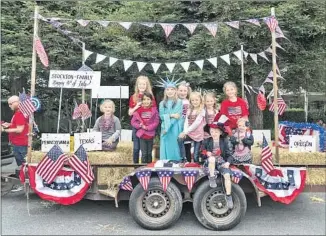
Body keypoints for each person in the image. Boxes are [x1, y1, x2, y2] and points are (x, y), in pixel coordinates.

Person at [200, 117, 234, 209]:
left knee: (227, 175)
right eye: (212, 131)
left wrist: (227, 163)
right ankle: (212, 178)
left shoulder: (224, 141)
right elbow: (201, 153)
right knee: (211, 159)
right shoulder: (207, 141)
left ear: (220, 132)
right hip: (210, 162)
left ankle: (228, 196)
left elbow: (230, 154)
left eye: (216, 131)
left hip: (220, 161)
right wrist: (206, 153)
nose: (213, 133)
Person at [1, 95, 29, 192]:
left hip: (20, 143)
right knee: (22, 165)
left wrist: (4, 130)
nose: (9, 106)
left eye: (10, 103)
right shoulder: (18, 113)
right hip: (19, 143)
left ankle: (24, 184)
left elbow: (19, 129)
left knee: (22, 165)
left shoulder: (19, 114)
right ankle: (24, 184)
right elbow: (16, 125)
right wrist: (8, 125)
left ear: (17, 102)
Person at [128, 76, 156, 164]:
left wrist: (149, 126)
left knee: (147, 151)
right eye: (140, 84)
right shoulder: (134, 97)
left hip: (147, 127)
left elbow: (154, 112)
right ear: (137, 85)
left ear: (147, 85)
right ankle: (135, 166)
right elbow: (130, 113)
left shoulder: (150, 97)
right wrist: (137, 106)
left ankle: (148, 167)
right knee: (136, 148)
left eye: (144, 84)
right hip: (137, 125)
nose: (142, 86)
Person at [159, 77, 183, 161]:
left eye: (172, 89)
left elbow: (177, 117)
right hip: (164, 127)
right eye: (167, 89)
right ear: (165, 91)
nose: (170, 91)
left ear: (175, 91)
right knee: (165, 148)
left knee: (174, 147)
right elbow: (161, 116)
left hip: (174, 128)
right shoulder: (162, 103)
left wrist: (167, 128)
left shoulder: (179, 102)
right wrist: (171, 114)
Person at [131, 92, 159, 163]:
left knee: (149, 153)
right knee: (144, 154)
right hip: (142, 135)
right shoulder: (139, 110)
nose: (146, 101)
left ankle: (149, 169)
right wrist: (139, 125)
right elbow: (133, 122)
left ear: (151, 101)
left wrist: (148, 128)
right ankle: (143, 169)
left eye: (148, 99)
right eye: (144, 99)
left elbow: (156, 122)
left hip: (150, 134)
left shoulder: (154, 110)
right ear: (141, 101)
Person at [179, 92, 206, 163]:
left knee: (195, 156)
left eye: (196, 100)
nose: (195, 102)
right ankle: (183, 158)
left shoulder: (202, 111)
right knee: (180, 139)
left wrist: (185, 132)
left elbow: (196, 123)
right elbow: (186, 122)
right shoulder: (189, 110)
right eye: (193, 100)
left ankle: (198, 167)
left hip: (198, 135)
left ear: (200, 100)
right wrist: (184, 132)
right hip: (190, 133)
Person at [177, 81, 192, 162]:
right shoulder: (175, 101)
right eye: (181, 90)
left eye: (184, 91)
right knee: (178, 146)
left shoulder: (189, 102)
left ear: (187, 91)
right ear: (177, 91)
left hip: (186, 126)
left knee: (187, 146)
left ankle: (188, 164)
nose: (182, 93)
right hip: (177, 126)